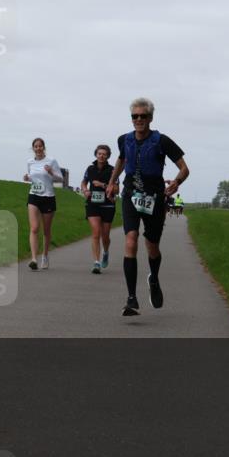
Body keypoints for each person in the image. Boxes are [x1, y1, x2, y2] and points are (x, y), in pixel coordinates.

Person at [105, 98, 189, 316]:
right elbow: (121, 160)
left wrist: (176, 182)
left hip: (154, 198)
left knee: (152, 246)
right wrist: (112, 181)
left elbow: (184, 168)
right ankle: (131, 298)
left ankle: (154, 278)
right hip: (130, 195)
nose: (139, 119)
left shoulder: (162, 141)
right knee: (131, 239)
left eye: (143, 116)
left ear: (150, 118)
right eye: (135, 116)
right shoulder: (124, 140)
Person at [23, 138, 62, 270]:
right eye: (36, 146)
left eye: (40, 146)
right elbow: (33, 177)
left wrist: (51, 172)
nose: (38, 148)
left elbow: (60, 179)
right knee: (34, 228)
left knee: (46, 230)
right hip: (34, 195)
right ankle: (34, 259)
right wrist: (27, 178)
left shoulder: (51, 161)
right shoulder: (30, 162)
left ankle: (45, 256)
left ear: (44, 147)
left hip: (48, 197)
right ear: (33, 148)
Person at [80, 144, 116, 275]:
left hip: (107, 205)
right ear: (96, 154)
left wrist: (102, 185)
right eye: (99, 153)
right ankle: (96, 262)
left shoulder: (112, 170)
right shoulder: (90, 169)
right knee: (95, 233)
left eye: (104, 154)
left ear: (108, 156)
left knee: (105, 236)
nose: (101, 156)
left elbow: (117, 189)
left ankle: (105, 252)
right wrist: (85, 190)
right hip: (93, 204)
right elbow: (84, 182)